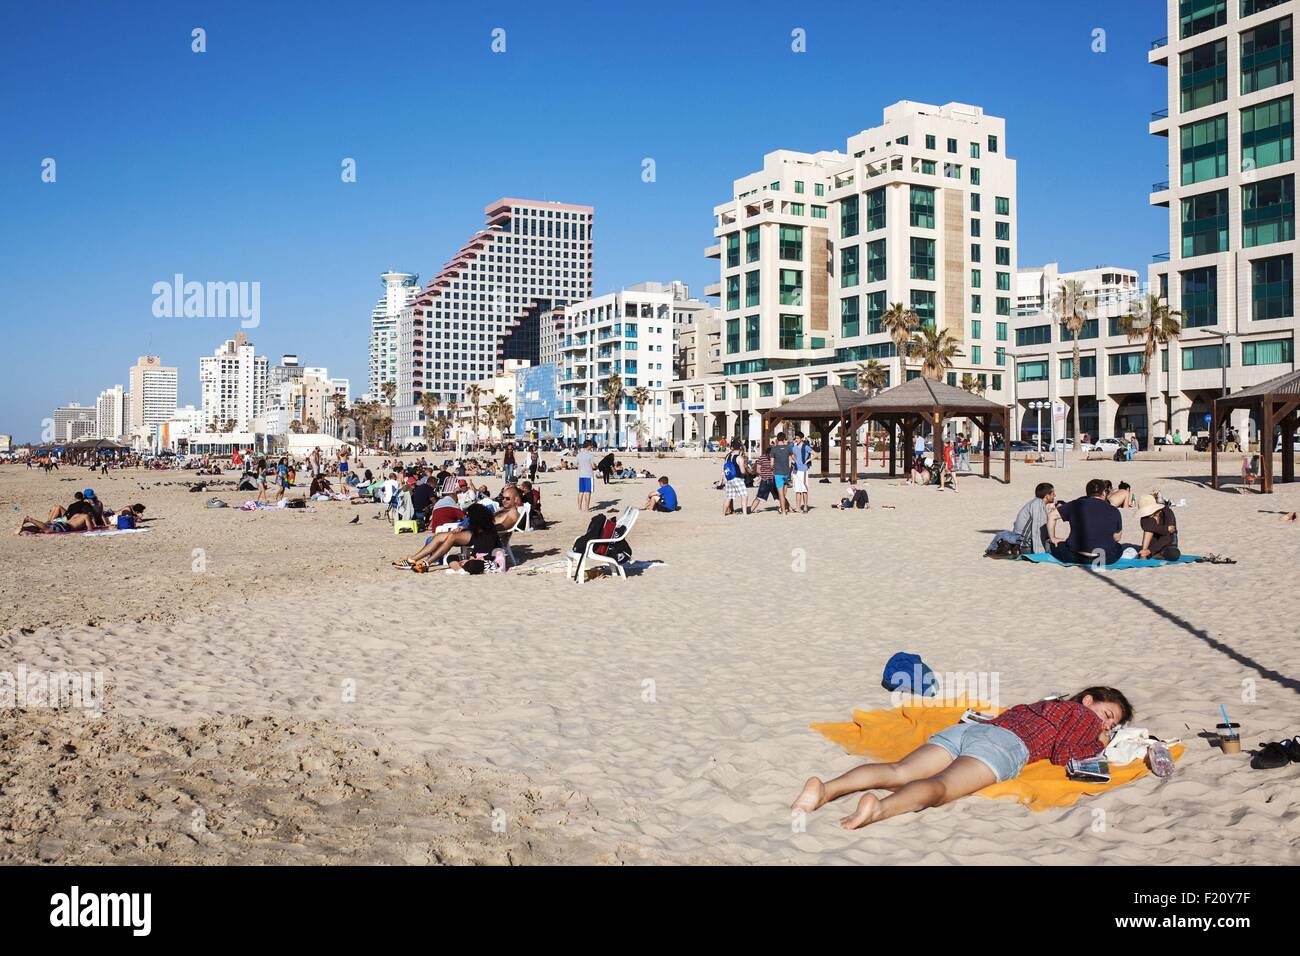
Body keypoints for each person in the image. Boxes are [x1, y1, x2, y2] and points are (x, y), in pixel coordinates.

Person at [791, 687, 1131, 830]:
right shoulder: (1082, 717)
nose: (1107, 723)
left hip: (974, 730)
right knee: (939, 788)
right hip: (1005, 745)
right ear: (1087, 701)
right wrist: (1099, 742)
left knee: (900, 770)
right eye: (1107, 714)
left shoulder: (1043, 704)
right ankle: (878, 809)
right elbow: (1067, 754)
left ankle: (825, 790)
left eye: (1112, 723)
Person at [1052, 478, 1125, 565]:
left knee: (1059, 545)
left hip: (1075, 556)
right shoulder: (1114, 511)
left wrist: (1053, 537)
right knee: (1118, 547)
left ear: (1087, 493)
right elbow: (1117, 538)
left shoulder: (1075, 504)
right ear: (1104, 493)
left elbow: (1051, 516)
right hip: (1104, 558)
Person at [1137, 494, 1180, 560]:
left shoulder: (1167, 513)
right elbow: (1145, 527)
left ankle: (1155, 553)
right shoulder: (1146, 517)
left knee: (1174, 554)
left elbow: (1167, 537)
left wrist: (1150, 550)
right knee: (1148, 529)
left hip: (1168, 543)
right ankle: (1144, 553)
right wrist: (1166, 529)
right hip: (1153, 542)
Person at [769, 432, 793, 515]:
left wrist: (772, 468)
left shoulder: (774, 449)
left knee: (780, 494)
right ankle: (786, 508)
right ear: (784, 439)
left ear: (777, 439)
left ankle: (783, 511)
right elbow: (790, 462)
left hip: (778, 473)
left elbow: (771, 464)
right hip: (786, 473)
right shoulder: (788, 448)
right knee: (784, 493)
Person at [722, 441, 748, 516]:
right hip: (737, 478)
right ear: (740, 448)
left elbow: (724, 467)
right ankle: (744, 513)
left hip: (729, 478)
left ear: (732, 448)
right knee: (744, 495)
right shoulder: (739, 458)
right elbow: (742, 471)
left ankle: (724, 513)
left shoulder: (728, 457)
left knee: (728, 497)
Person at [748, 449, 776, 514]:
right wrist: (765, 476)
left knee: (780, 496)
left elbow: (758, 470)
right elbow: (758, 470)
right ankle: (751, 510)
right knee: (759, 497)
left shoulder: (771, 458)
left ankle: (787, 508)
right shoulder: (764, 458)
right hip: (766, 480)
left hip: (770, 479)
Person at [791, 432, 812, 513]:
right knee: (797, 490)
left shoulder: (806, 447)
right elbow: (791, 455)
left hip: (803, 470)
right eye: (795, 438)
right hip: (796, 470)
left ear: (802, 438)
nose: (796, 439)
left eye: (798, 438)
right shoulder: (794, 447)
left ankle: (805, 506)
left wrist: (808, 460)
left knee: (804, 489)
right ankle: (797, 507)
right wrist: (793, 460)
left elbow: (815, 454)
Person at [576, 440, 595, 512]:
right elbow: (593, 466)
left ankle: (579, 508)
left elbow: (576, 464)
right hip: (588, 475)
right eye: (591, 445)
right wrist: (595, 466)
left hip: (581, 475)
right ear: (589, 446)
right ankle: (587, 508)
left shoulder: (579, 454)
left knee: (581, 492)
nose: (592, 447)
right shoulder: (590, 455)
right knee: (588, 492)